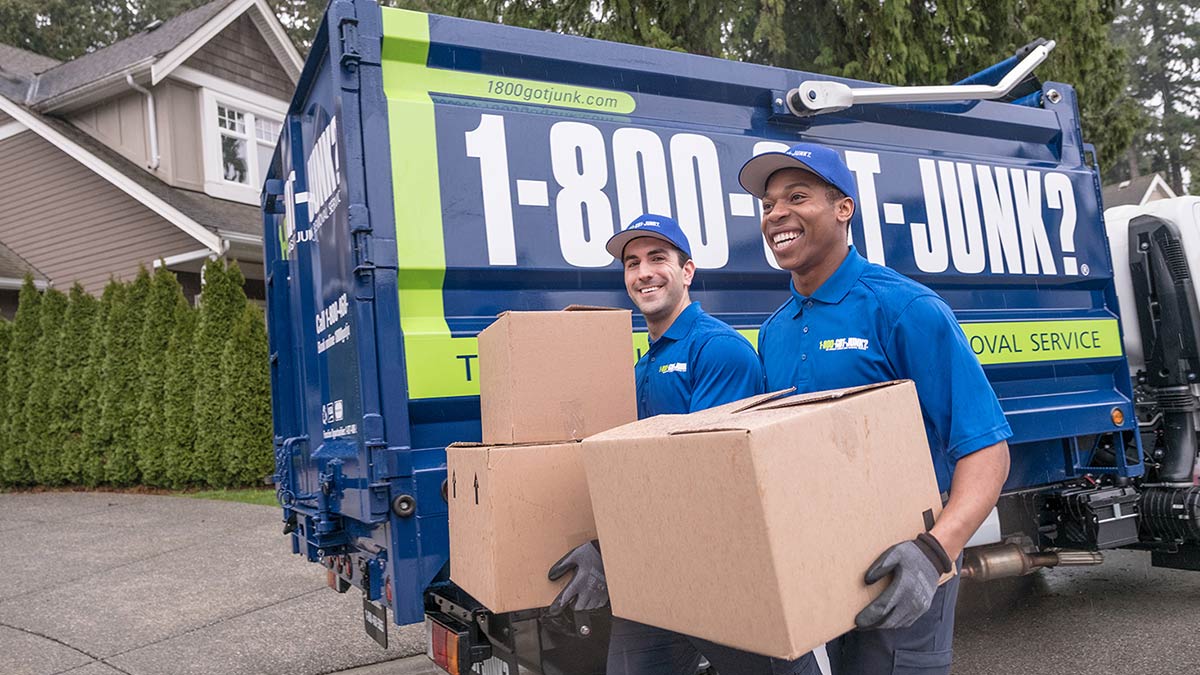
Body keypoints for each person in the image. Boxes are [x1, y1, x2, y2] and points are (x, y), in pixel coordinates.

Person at [738, 143, 1012, 674]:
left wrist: (934, 553)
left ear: (844, 209)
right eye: (768, 204)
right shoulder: (774, 332)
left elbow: (986, 449)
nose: (776, 215)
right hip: (825, 569)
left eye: (797, 196)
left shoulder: (905, 309)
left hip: (905, 564)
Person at [545, 214, 820, 675]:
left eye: (657, 258)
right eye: (632, 263)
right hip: (658, 572)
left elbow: (703, 476)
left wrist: (608, 547)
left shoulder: (716, 350)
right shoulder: (643, 365)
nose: (643, 272)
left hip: (728, 573)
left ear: (687, 271)